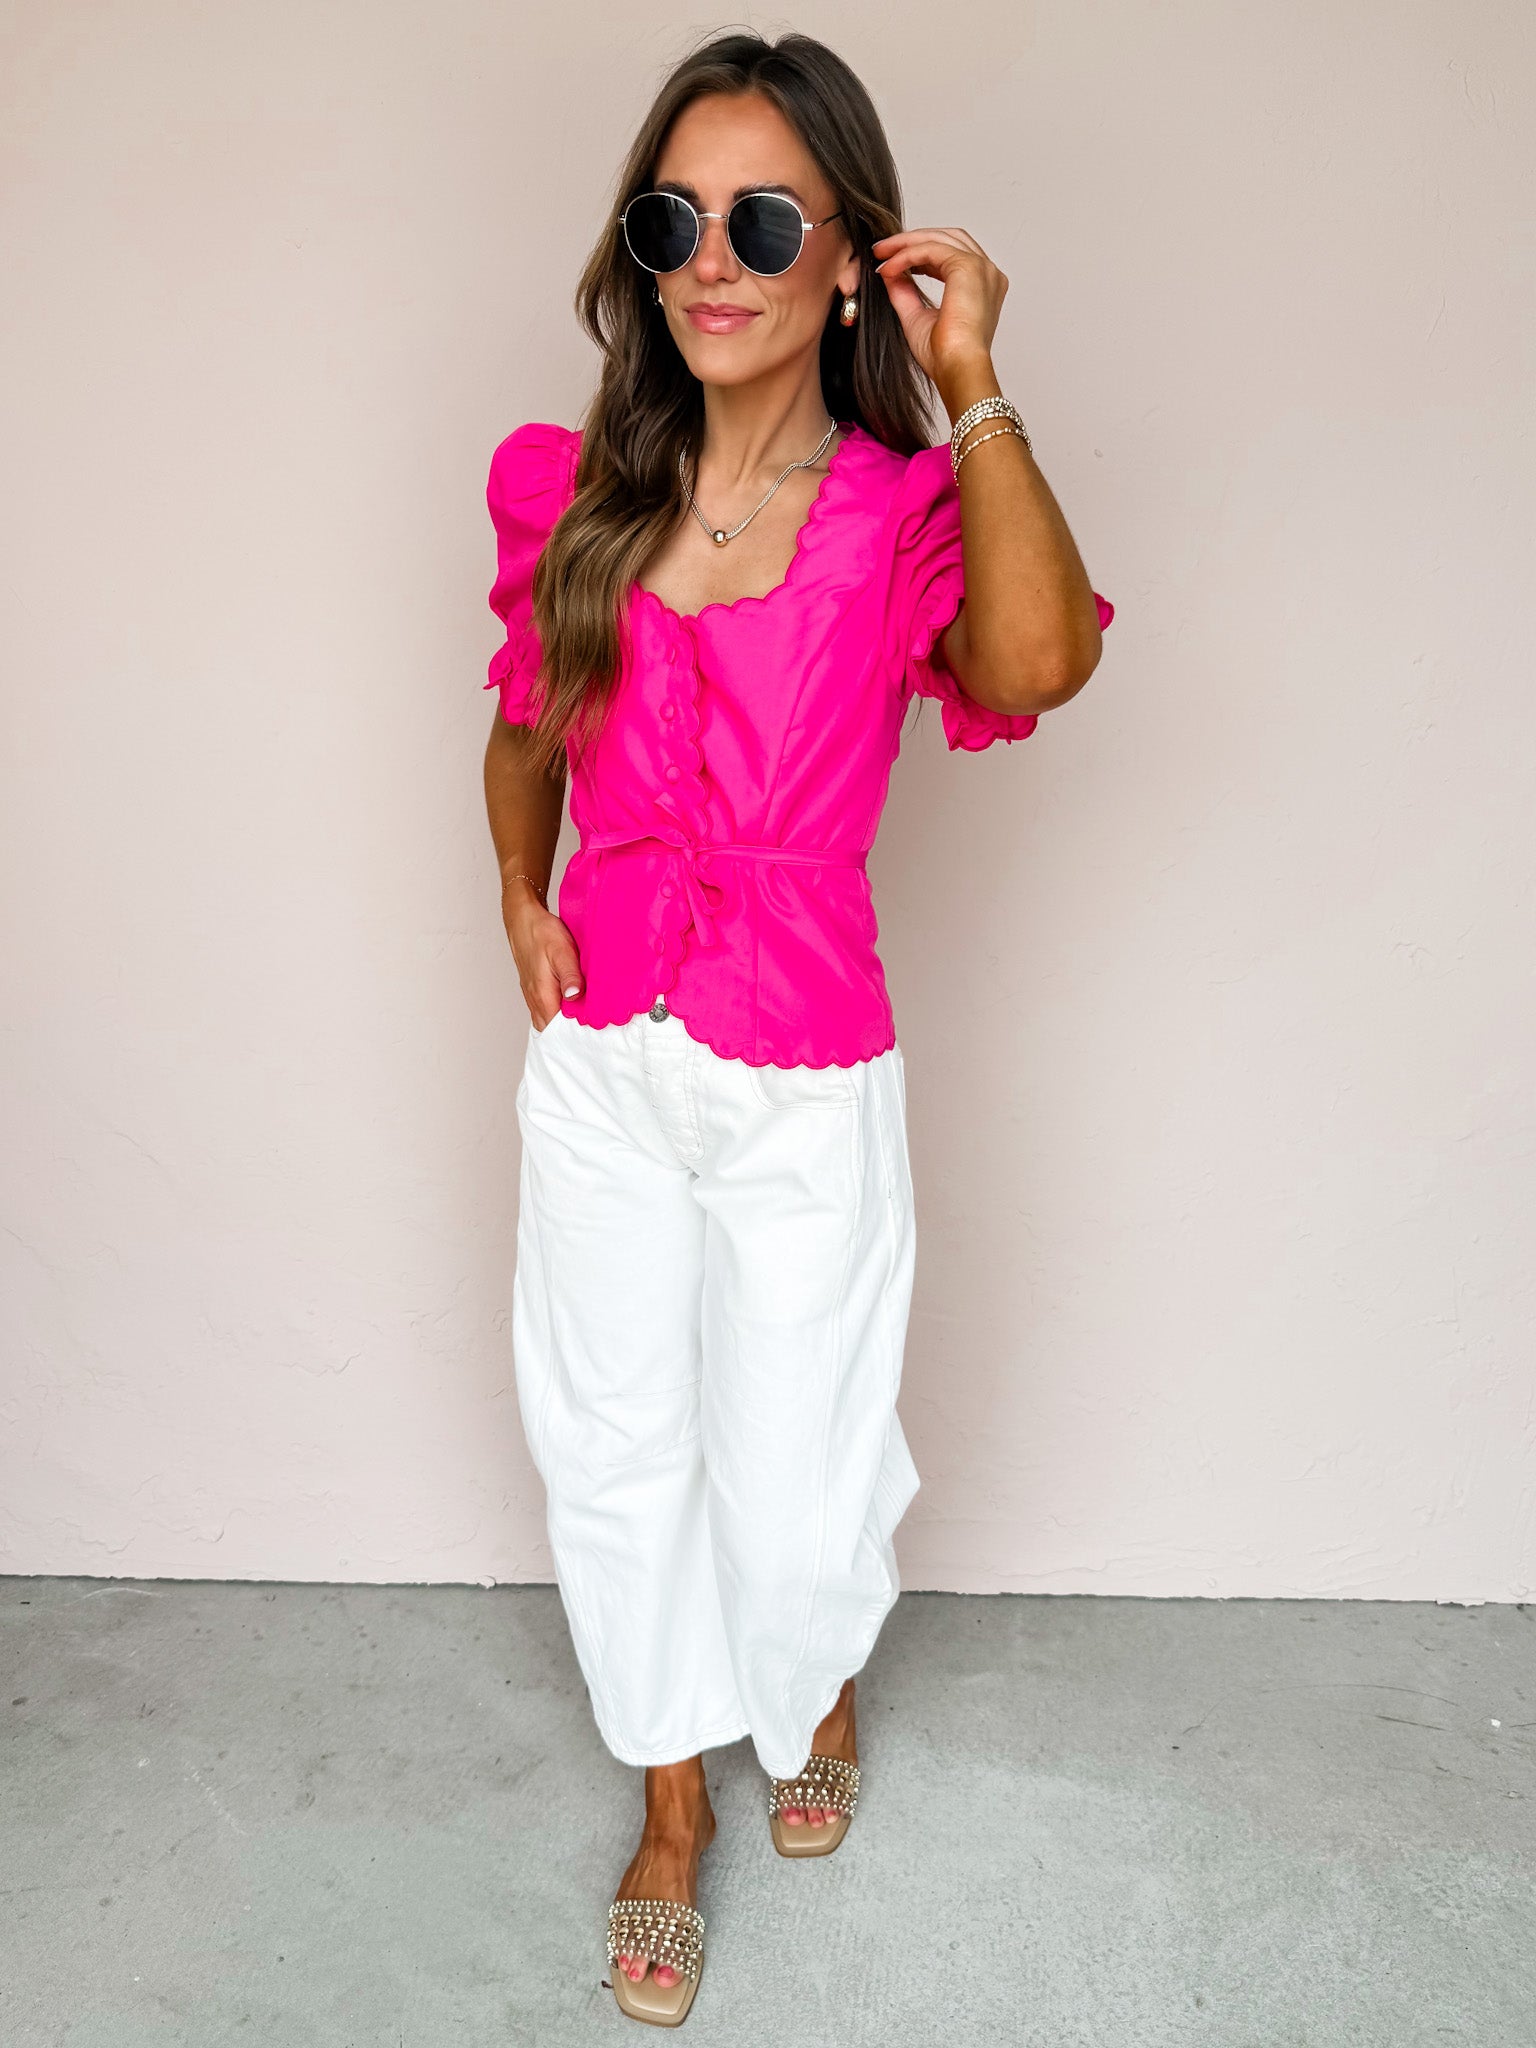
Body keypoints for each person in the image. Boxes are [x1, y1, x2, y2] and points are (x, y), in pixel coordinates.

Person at [480, 29, 1113, 2028]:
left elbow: (1036, 663)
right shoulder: (581, 490)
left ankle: (813, 1670)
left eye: (764, 221)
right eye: (672, 221)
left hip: (798, 1061)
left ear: (848, 256)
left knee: (793, 1463)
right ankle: (671, 1807)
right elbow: (521, 727)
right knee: (613, 1448)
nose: (711, 259)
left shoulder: (903, 509)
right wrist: (519, 894)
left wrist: (973, 373)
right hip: (605, 1064)